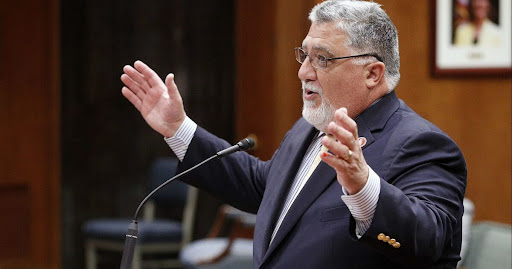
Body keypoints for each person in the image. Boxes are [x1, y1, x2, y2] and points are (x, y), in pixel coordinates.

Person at [121, 1, 467, 268]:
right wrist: (177, 128)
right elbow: (260, 186)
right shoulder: (309, 127)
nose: (303, 72)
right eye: (305, 55)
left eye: (323, 60)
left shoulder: (421, 144)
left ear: (373, 74)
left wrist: (362, 186)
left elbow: (430, 241)